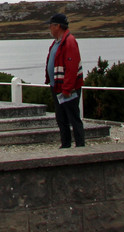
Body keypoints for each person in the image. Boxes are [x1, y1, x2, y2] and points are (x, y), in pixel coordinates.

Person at [45, 12, 85, 148]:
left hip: (67, 88)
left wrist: (67, 88)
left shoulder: (69, 41)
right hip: (57, 86)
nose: (49, 28)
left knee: (73, 117)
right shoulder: (58, 42)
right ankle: (66, 143)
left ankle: (80, 144)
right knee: (61, 117)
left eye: (51, 25)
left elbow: (72, 67)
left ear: (57, 26)